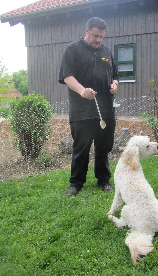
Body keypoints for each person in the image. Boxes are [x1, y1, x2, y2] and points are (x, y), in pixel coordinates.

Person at [59, 17, 119, 196]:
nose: (98, 40)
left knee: (104, 147)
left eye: (101, 37)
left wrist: (115, 84)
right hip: (82, 111)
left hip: (106, 110)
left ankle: (103, 180)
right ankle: (76, 184)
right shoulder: (73, 50)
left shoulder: (106, 52)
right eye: (95, 36)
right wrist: (82, 91)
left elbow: (115, 75)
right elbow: (67, 76)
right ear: (87, 31)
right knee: (81, 148)